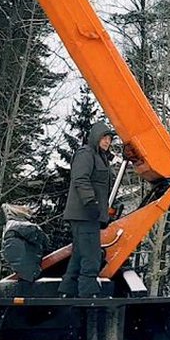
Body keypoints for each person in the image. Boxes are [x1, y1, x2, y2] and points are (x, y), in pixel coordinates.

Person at [58, 122, 116, 298]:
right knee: (91, 256)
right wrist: (91, 203)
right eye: (104, 138)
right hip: (84, 214)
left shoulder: (100, 157)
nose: (107, 142)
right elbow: (81, 179)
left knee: (79, 255)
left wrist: (103, 212)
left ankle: (67, 291)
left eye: (109, 139)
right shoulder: (86, 154)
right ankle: (88, 295)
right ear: (95, 137)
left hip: (89, 214)